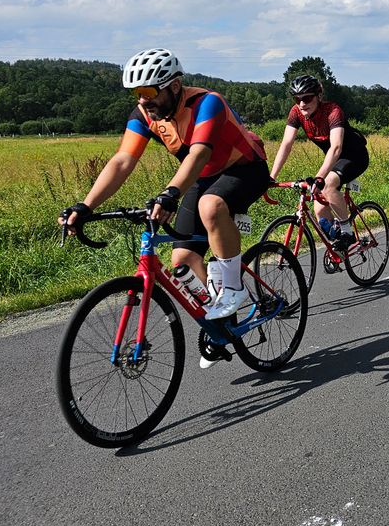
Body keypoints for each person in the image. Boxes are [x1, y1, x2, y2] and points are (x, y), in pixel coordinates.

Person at [59, 48, 271, 330]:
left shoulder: (208, 103)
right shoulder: (145, 115)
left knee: (211, 206)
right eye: (137, 93)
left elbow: (199, 154)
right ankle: (221, 325)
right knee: (182, 260)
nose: (143, 101)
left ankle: (233, 288)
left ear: (173, 86)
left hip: (245, 169)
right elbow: (123, 161)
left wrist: (170, 193)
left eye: (148, 91)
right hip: (203, 176)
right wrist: (86, 205)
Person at [269, 75, 369, 252]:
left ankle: (347, 232)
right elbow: (286, 144)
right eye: (297, 99)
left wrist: (320, 177)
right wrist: (271, 177)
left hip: (354, 156)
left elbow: (336, 147)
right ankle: (339, 244)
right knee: (319, 210)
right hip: (333, 160)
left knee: (328, 185)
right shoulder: (296, 113)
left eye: (307, 98)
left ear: (319, 96)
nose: (301, 104)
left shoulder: (333, 111)